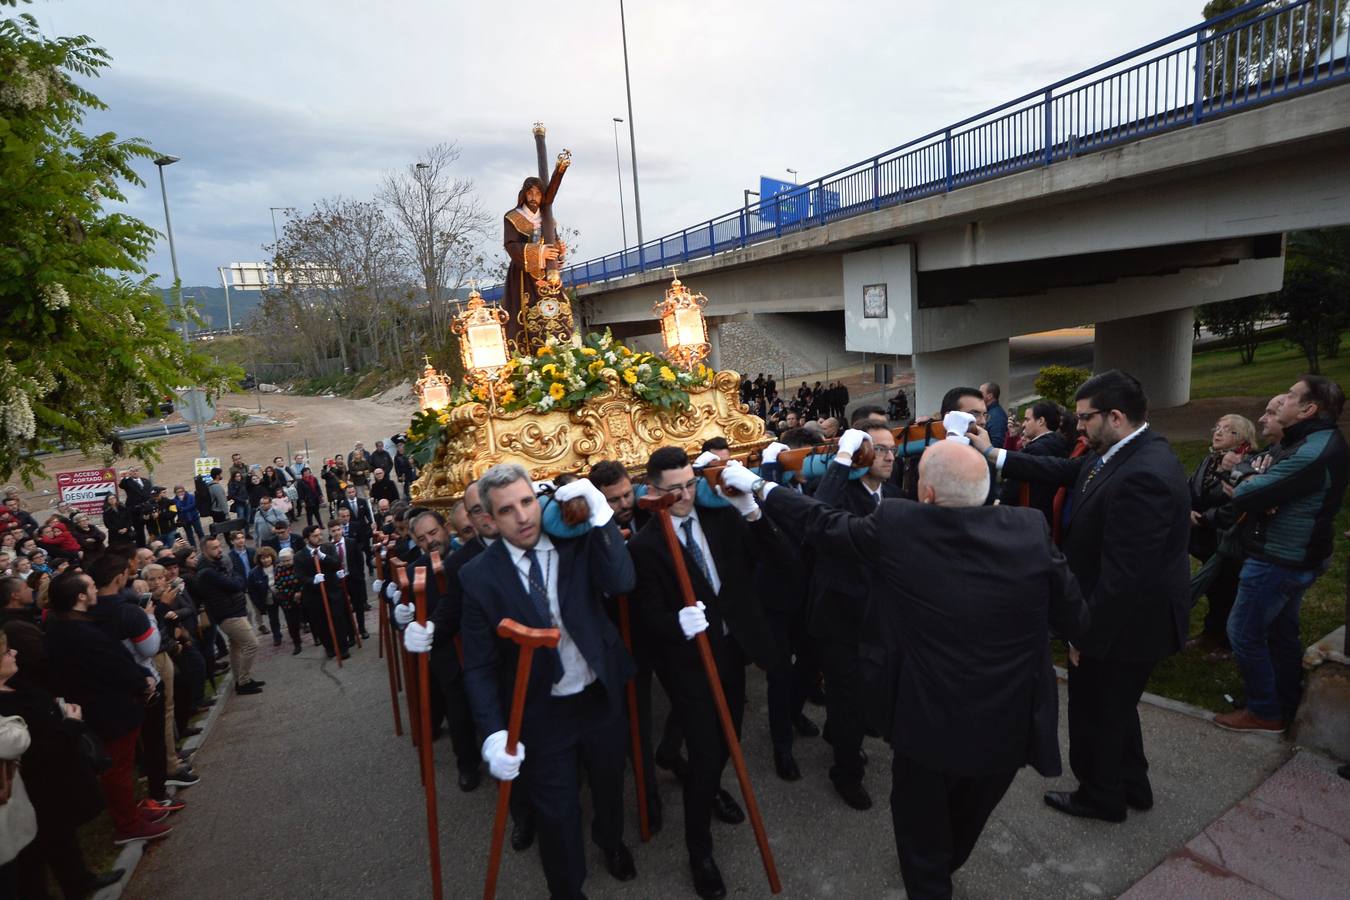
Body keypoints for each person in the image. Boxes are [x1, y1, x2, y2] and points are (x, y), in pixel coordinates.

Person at [725, 439, 1088, 899]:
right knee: (971, 810)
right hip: (1009, 716)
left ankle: (932, 877)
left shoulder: (900, 525)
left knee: (920, 828)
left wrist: (760, 486)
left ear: (929, 495)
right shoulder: (1028, 527)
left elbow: (823, 524)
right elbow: (1070, 603)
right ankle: (944, 864)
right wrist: (1078, 637)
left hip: (927, 718)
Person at [971, 369, 1190, 824]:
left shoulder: (1142, 475)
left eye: (1085, 418)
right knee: (1117, 709)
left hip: (1124, 625)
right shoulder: (1125, 450)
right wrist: (994, 454)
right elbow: (1072, 471)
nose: (1078, 426)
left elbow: (1125, 577)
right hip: (1126, 620)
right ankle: (1132, 784)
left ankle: (1101, 797)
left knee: (1095, 713)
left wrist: (1084, 635)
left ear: (1116, 416)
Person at [458, 465, 636, 899]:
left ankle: (610, 841)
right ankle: (567, 889)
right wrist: (494, 735)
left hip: (598, 692)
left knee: (611, 782)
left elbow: (621, 581)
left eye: (526, 502)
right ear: (490, 519)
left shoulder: (572, 541)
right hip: (540, 710)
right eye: (506, 510)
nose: (522, 517)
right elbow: (479, 665)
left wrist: (601, 517)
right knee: (556, 813)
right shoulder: (478, 576)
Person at [628, 447, 790, 899]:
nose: (683, 495)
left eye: (689, 484)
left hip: (732, 649)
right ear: (652, 492)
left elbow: (775, 555)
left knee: (728, 738)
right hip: (690, 663)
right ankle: (699, 849)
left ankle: (714, 781)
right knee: (704, 752)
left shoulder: (720, 520)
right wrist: (675, 623)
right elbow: (647, 614)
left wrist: (752, 510)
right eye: (672, 488)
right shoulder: (646, 545)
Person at [1218, 376, 1347, 733]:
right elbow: (1258, 480)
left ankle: (1264, 711)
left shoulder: (1312, 450)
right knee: (1280, 633)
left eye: (1290, 396)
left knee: (1243, 633)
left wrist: (1245, 476)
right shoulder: (1303, 441)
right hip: (1289, 556)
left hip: (1279, 560)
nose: (1281, 401)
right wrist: (1256, 481)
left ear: (1309, 409)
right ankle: (1285, 701)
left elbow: (1247, 492)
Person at [806, 423, 902, 810]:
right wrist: (841, 462)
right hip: (841, 617)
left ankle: (840, 732)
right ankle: (845, 774)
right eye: (879, 450)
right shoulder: (841, 492)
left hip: (878, 615)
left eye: (892, 449)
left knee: (865, 694)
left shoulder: (893, 496)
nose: (889, 457)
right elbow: (816, 518)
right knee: (847, 700)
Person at [44, 571, 173, 844]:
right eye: (91, 587)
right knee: (117, 771)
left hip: (109, 705)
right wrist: (141, 682)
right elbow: (110, 664)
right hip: (109, 709)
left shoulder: (70, 624)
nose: (96, 591)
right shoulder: (76, 631)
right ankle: (128, 825)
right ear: (80, 596)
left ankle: (130, 814)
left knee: (122, 769)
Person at [0, 628, 125, 897]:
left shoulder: (16, 682)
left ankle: (79, 881)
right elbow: (29, 746)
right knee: (38, 849)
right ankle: (73, 884)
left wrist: (60, 712)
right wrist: (70, 725)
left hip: (58, 772)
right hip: (36, 780)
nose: (14, 652)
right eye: (7, 651)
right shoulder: (4, 704)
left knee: (61, 835)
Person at [397, 506, 485, 792]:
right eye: (422, 539)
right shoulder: (415, 572)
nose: (430, 541)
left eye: (433, 533)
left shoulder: (473, 553)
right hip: (446, 653)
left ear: (446, 528)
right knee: (458, 713)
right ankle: (467, 765)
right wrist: (400, 616)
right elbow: (407, 614)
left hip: (478, 645)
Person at [1187, 414, 1257, 655]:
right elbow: (1191, 486)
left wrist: (1205, 518)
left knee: (1230, 589)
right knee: (1215, 589)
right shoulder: (1209, 459)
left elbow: (1238, 505)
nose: (1218, 432)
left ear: (1243, 438)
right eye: (1217, 427)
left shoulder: (1246, 465)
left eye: (1228, 430)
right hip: (1205, 539)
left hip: (1230, 539)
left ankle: (1228, 643)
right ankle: (1211, 633)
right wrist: (1187, 510)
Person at [195, 535, 264, 695]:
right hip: (228, 614)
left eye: (219, 546)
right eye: (214, 548)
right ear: (204, 551)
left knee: (237, 647)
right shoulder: (207, 572)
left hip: (234, 610)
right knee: (252, 644)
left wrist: (235, 579)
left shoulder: (218, 565)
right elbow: (235, 584)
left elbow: (237, 578)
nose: (219, 550)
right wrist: (235, 579)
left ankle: (240, 681)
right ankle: (243, 680)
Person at [502, 177, 567, 345]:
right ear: (524, 194)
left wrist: (559, 253)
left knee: (556, 313)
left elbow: (555, 245)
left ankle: (560, 348)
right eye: (530, 193)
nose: (533, 197)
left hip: (548, 275)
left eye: (538, 193)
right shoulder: (513, 217)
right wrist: (540, 252)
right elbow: (511, 245)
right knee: (527, 314)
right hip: (523, 274)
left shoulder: (548, 219)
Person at [999, 401, 1070, 523]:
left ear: (1041, 421)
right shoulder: (1059, 443)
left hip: (1030, 517)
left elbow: (1012, 486)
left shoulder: (1036, 449)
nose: (1023, 424)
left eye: (1027, 419)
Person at [295, 525, 351, 660]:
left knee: (338, 618)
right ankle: (330, 647)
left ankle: (343, 647)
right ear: (307, 539)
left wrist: (323, 556)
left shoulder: (328, 548)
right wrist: (312, 580)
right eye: (315, 536)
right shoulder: (299, 556)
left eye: (320, 534)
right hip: (315, 595)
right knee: (321, 623)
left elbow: (336, 563)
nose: (319, 537)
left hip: (332, 590)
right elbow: (300, 576)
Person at [327, 520, 369, 641]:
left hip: (353, 578)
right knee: (345, 608)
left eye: (338, 530)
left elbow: (359, 560)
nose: (336, 533)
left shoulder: (351, 542)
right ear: (330, 532)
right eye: (333, 531)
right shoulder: (328, 547)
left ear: (342, 530)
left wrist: (360, 576)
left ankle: (362, 628)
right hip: (339, 581)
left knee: (358, 605)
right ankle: (351, 633)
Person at [247, 547, 285, 647]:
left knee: (289, 614)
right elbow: (252, 590)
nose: (266, 560)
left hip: (282, 595)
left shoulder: (279, 566)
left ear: (272, 557)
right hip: (268, 598)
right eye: (263, 558)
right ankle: (277, 637)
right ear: (259, 560)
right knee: (273, 619)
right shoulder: (254, 573)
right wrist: (259, 603)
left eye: (268, 557)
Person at [981, 382, 1007, 448]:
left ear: (990, 396)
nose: (978, 396)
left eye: (981, 393)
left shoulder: (997, 417)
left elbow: (997, 444)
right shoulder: (989, 412)